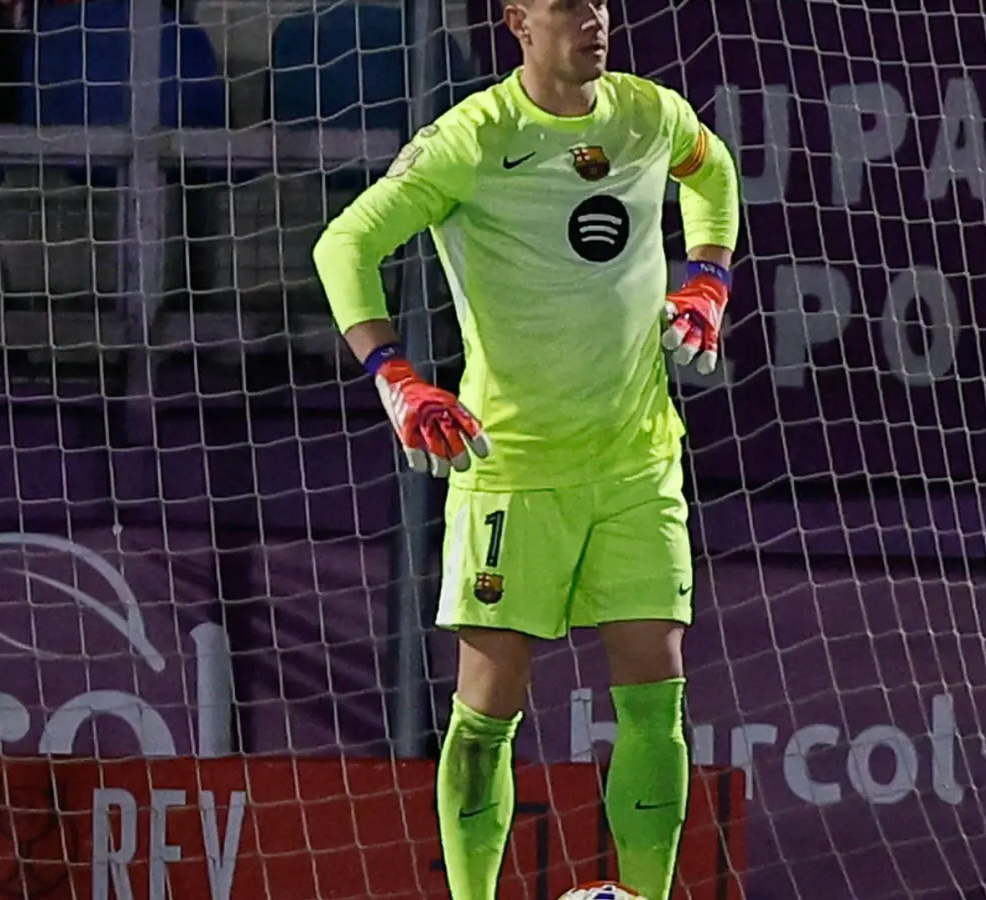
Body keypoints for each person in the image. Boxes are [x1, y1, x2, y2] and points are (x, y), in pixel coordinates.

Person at [312, 0, 741, 897]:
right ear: (518, 21)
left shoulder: (646, 113)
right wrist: (396, 376)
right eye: (568, 6)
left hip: (636, 462)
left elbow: (713, 169)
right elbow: (345, 243)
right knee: (485, 714)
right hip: (511, 470)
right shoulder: (471, 139)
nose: (594, 19)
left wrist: (707, 278)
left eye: (602, 4)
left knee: (656, 700)